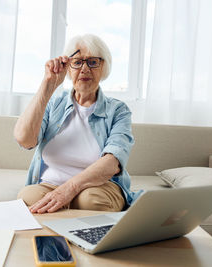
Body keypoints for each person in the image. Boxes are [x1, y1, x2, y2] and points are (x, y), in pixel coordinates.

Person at [14, 34, 140, 214]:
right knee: (29, 197)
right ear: (68, 67)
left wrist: (68, 189)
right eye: (78, 62)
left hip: (99, 187)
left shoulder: (118, 110)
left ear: (103, 66)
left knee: (91, 201)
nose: (85, 69)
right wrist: (47, 85)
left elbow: (112, 162)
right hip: (51, 184)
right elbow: (24, 139)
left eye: (93, 62)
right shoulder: (54, 104)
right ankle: (51, 242)